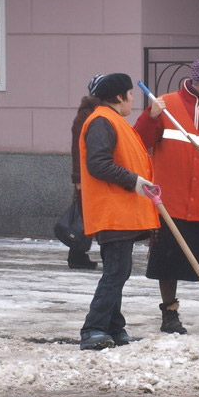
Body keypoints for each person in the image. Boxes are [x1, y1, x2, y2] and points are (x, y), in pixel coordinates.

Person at [135, 56, 199, 334]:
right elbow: (140, 141)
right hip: (170, 200)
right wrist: (151, 116)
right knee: (167, 262)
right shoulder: (165, 105)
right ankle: (169, 314)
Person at [79, 73, 160, 351]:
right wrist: (135, 181)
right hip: (112, 211)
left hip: (121, 211)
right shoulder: (102, 121)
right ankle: (93, 328)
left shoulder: (114, 121)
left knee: (119, 271)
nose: (132, 99)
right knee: (115, 272)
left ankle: (114, 326)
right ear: (118, 97)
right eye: (130, 93)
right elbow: (98, 164)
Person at [66, 75, 103, 270]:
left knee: (86, 216)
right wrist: (78, 179)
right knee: (84, 216)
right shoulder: (87, 115)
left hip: (93, 174)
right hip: (88, 175)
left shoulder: (96, 112)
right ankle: (77, 255)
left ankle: (77, 255)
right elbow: (77, 149)